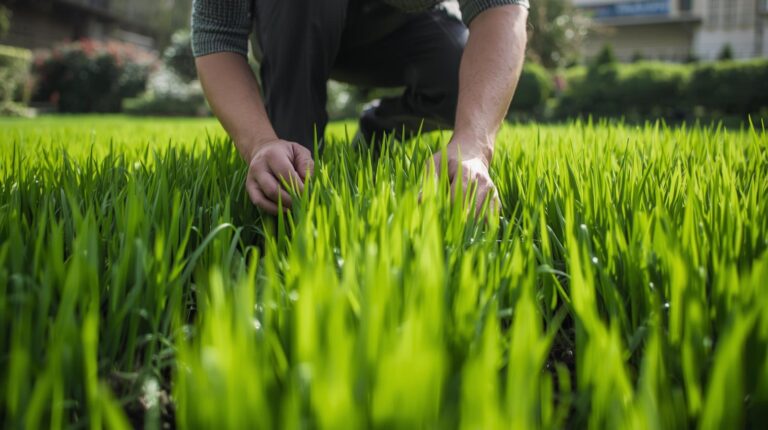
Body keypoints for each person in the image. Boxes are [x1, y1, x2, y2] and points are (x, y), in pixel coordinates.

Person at [192, 0, 529, 215]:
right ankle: (290, 163)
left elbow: (501, 7)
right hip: (295, 21)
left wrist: (473, 145)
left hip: (397, 26)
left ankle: (379, 129)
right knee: (284, 173)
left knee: (460, 78)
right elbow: (217, 33)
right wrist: (260, 142)